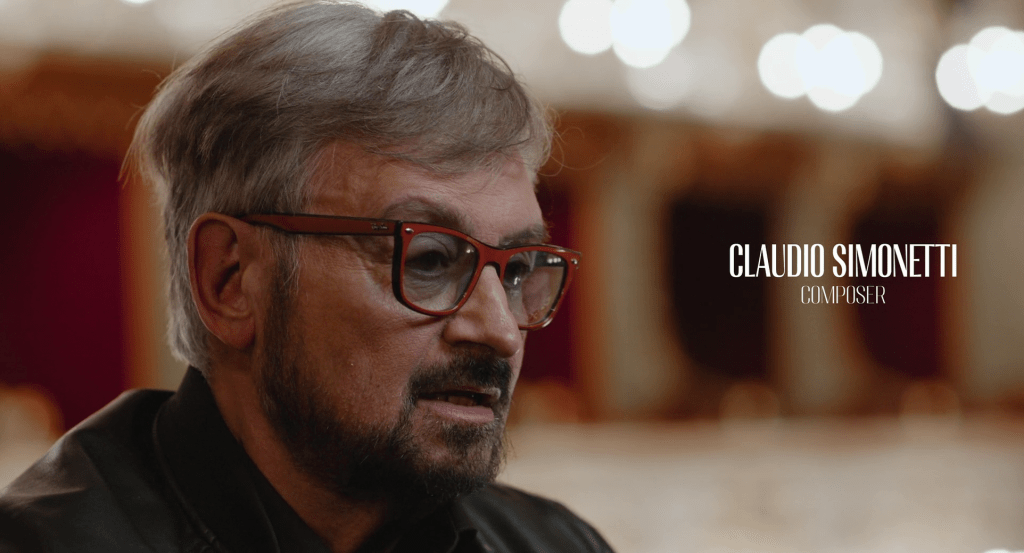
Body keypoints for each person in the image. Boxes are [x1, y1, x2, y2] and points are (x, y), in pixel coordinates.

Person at [0, 2, 613, 552]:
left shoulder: (555, 543)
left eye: (517, 270)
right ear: (230, 280)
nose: (501, 331)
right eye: (428, 260)